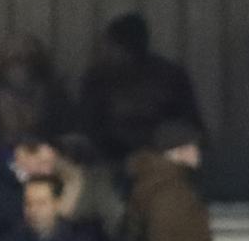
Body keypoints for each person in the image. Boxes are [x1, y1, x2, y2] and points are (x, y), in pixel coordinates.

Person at [76, 14, 200, 164]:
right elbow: (87, 127)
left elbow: (190, 126)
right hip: (110, 157)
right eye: (117, 47)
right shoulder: (98, 79)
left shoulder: (169, 77)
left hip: (161, 160)